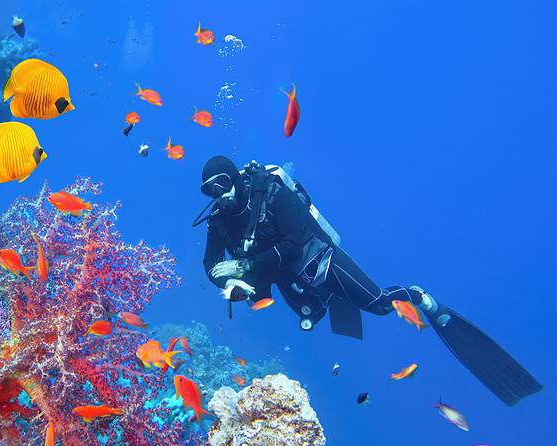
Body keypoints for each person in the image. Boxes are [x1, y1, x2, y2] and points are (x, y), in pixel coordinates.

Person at [195, 155, 542, 406]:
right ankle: (327, 300)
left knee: (378, 306)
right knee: (310, 318)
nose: (219, 195)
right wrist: (230, 285)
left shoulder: (272, 195)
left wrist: (244, 264)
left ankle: (418, 296)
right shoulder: (219, 220)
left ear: (235, 178)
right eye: (210, 191)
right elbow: (210, 263)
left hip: (320, 260)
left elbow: (292, 244)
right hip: (286, 278)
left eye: (222, 184)